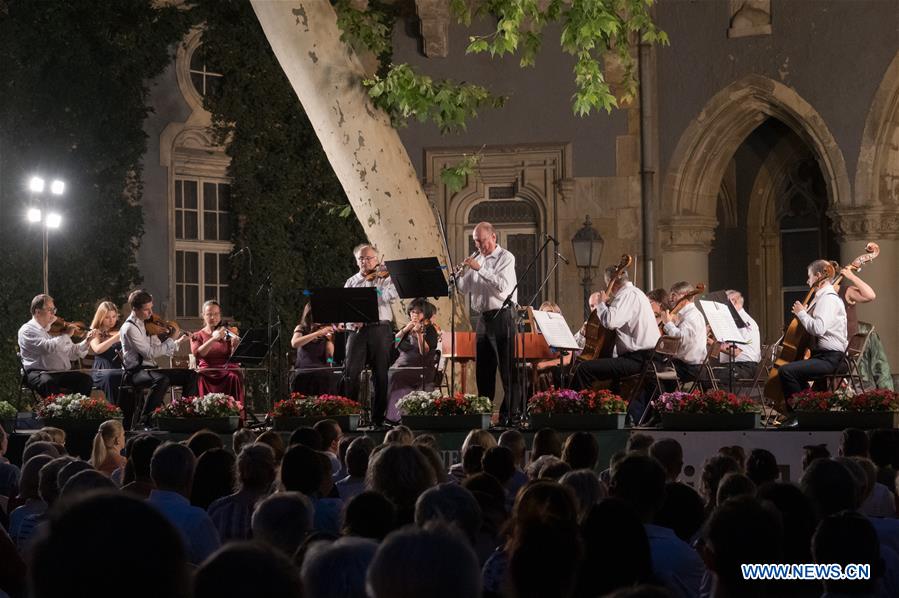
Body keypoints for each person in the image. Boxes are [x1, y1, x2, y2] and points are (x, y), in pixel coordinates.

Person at [572, 266, 660, 423]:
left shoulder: (626, 295)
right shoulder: (637, 293)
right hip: (646, 358)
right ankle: (610, 417)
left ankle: (576, 417)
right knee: (606, 374)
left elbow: (610, 322)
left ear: (611, 282)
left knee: (583, 369)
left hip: (638, 360)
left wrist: (600, 304)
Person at [455, 222, 519, 425]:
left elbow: (503, 286)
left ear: (493, 237)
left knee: (507, 369)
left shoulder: (506, 258)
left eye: (482, 241)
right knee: (483, 369)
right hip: (483, 318)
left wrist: (480, 268)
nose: (480, 246)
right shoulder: (477, 258)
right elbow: (464, 288)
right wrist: (458, 276)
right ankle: (485, 414)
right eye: (476, 242)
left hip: (503, 315)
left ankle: (509, 415)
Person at [777, 260, 848, 421]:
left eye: (809, 277)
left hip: (832, 358)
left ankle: (798, 417)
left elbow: (818, 329)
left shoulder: (828, 299)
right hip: (824, 356)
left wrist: (802, 313)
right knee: (794, 371)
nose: (807, 281)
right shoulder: (822, 298)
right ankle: (809, 411)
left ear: (818, 276)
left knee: (786, 371)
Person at [120, 289, 196, 426]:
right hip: (135, 372)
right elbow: (149, 353)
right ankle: (145, 421)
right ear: (134, 309)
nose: (150, 313)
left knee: (191, 375)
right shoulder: (129, 328)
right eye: (146, 310)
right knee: (162, 379)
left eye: (151, 308)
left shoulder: (148, 324)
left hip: (150, 370)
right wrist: (171, 338)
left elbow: (160, 350)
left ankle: (183, 413)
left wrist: (178, 341)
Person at [342, 243, 398, 427]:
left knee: (381, 374)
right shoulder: (351, 282)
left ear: (376, 259)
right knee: (351, 372)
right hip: (358, 331)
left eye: (369, 258)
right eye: (361, 258)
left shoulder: (384, 278)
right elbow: (345, 308)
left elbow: (391, 296)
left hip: (380, 328)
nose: (365, 261)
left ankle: (378, 419)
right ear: (356, 261)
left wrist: (375, 284)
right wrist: (352, 321)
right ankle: (350, 416)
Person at [146, 442, 221, 564]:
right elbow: (215, 568)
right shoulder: (196, 518)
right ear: (190, 476)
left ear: (152, 473)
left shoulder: (134, 513)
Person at [18, 294, 96, 397]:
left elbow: (72, 353)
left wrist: (87, 341)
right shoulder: (27, 330)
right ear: (37, 312)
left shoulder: (51, 330)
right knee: (48, 382)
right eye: (50, 309)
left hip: (58, 373)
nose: (53, 314)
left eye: (53, 310)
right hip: (37, 372)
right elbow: (47, 348)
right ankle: (55, 411)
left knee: (85, 380)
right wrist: (66, 335)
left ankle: (77, 410)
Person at [387, 298, 440, 423]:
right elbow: (393, 344)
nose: (414, 315)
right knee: (387, 374)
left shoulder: (430, 329)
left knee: (394, 375)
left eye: (418, 312)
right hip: (402, 366)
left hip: (421, 368)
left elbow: (424, 352)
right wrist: (405, 330)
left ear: (425, 314)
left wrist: (419, 334)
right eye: (412, 312)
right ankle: (391, 415)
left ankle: (397, 417)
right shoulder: (406, 328)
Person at [190, 300, 244, 405]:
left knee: (234, 376)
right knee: (199, 379)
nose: (212, 318)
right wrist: (213, 339)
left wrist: (235, 346)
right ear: (203, 315)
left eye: (216, 314)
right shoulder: (197, 335)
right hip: (207, 371)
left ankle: (233, 412)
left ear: (220, 315)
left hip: (226, 369)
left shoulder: (227, 333)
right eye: (209, 314)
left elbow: (233, 357)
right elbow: (198, 354)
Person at [659, 281, 707, 384]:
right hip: (685, 365)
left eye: (673, 295)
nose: (670, 299)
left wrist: (668, 323)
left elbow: (680, 339)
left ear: (685, 296)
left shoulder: (692, 316)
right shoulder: (685, 315)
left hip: (689, 368)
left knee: (650, 370)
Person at [711, 290, 761, 385]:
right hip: (732, 365)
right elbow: (716, 353)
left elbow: (737, 352)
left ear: (733, 301)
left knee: (706, 376)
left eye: (723, 304)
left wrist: (713, 344)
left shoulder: (744, 322)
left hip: (744, 367)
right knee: (705, 373)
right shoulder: (731, 321)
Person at [290, 303, 342, 395]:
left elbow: (329, 358)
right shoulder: (301, 328)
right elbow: (295, 343)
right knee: (308, 377)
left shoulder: (325, 331)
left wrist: (330, 351)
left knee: (331, 377)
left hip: (321, 369)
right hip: (304, 368)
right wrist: (317, 333)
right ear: (309, 315)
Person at [88, 300, 124, 405]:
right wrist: (116, 338)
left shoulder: (119, 331)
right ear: (101, 317)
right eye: (107, 317)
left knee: (130, 375)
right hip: (102, 370)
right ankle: (115, 408)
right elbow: (97, 349)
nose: (111, 320)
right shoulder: (95, 332)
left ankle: (133, 413)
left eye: (114, 316)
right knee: (110, 376)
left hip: (119, 368)